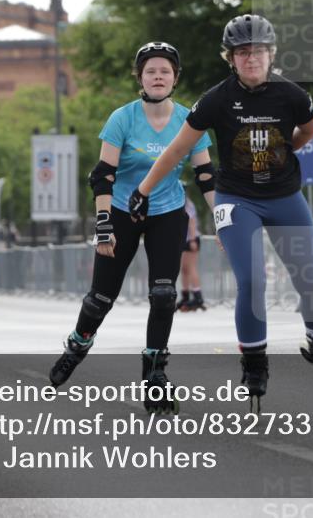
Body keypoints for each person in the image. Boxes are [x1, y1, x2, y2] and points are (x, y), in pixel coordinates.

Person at [129, 14, 313, 411]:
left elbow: (311, 128)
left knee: (310, 278)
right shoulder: (217, 99)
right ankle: (255, 362)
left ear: (270, 54)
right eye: (242, 53)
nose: (250, 58)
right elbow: (176, 149)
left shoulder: (290, 94)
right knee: (252, 281)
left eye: (257, 51)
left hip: (285, 196)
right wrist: (143, 189)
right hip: (237, 199)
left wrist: (286, 149)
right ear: (231, 59)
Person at [48, 41, 215, 415]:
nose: (158, 77)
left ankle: (155, 375)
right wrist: (104, 223)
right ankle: (77, 345)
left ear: (175, 78)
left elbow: (205, 175)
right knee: (100, 298)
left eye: (165, 71)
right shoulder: (122, 118)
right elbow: (103, 175)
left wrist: (223, 220)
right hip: (121, 209)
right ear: (140, 77)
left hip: (168, 211)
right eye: (151, 71)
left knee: (163, 294)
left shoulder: (190, 121)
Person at [176, 194, 206, 312]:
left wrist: (193, 239)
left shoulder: (187, 203)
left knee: (191, 267)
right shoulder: (178, 202)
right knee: (184, 269)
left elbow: (192, 222)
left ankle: (198, 296)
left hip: (191, 239)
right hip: (183, 239)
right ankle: (185, 295)